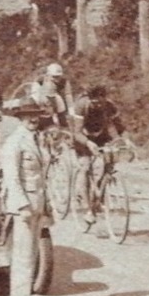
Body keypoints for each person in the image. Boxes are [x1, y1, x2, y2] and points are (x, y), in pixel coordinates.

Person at [0, 101, 50, 296]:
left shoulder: (36, 139)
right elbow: (12, 178)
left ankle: (27, 294)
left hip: (37, 202)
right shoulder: (14, 142)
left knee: (32, 250)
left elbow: (41, 175)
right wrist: (22, 205)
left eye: (36, 115)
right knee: (23, 252)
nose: (33, 119)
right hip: (25, 205)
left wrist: (45, 204)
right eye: (28, 115)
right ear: (20, 118)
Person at [74, 83, 126, 227]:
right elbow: (76, 132)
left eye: (101, 102)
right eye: (95, 102)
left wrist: (119, 141)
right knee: (85, 167)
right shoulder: (81, 105)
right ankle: (87, 207)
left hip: (101, 135)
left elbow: (113, 126)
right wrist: (88, 143)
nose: (98, 105)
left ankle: (99, 198)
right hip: (82, 137)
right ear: (90, 100)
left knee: (108, 164)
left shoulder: (109, 106)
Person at [30, 62, 71, 130]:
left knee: (60, 103)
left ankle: (62, 125)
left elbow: (68, 95)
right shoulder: (40, 79)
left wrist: (71, 111)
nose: (56, 79)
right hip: (41, 97)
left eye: (58, 77)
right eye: (54, 77)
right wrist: (41, 98)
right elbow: (34, 93)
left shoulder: (64, 81)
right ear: (48, 75)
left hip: (55, 98)